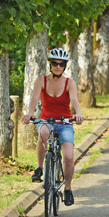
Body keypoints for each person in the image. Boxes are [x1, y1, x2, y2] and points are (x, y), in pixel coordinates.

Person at [23, 47, 84, 206]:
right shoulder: (41, 81)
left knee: (69, 157)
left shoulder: (69, 83)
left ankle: (68, 189)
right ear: (50, 64)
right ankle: (39, 168)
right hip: (47, 121)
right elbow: (34, 99)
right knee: (43, 131)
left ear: (65, 66)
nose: (58, 66)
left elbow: (75, 100)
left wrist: (78, 113)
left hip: (65, 123)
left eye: (61, 64)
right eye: (55, 63)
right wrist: (30, 113)